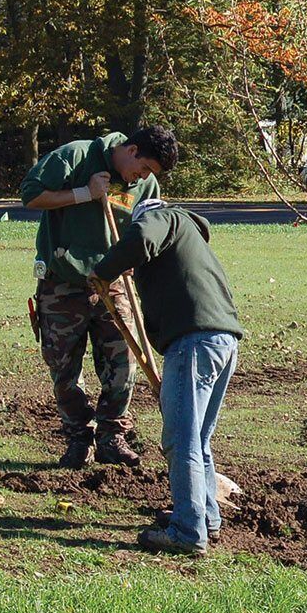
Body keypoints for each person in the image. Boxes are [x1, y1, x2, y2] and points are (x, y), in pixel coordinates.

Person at [89, 199, 243, 556]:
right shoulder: (189, 243)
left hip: (194, 342)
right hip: (222, 341)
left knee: (180, 440)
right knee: (197, 439)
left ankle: (187, 532)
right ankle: (206, 517)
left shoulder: (165, 218)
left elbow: (143, 235)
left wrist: (103, 271)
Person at [21, 127, 178, 469]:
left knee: (125, 363)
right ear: (131, 150)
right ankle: (79, 438)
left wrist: (136, 260)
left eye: (151, 174)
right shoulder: (76, 156)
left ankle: (112, 437)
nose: (144, 178)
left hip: (114, 283)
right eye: (144, 168)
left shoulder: (146, 185)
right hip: (63, 283)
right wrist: (84, 193)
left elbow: (147, 232)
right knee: (63, 368)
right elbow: (30, 195)